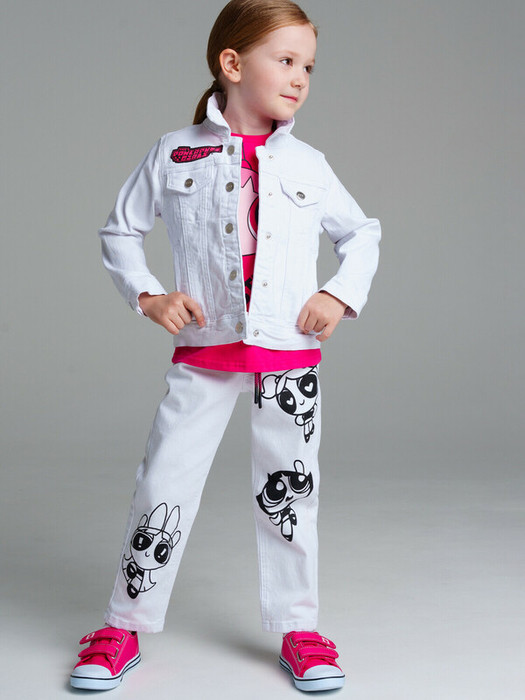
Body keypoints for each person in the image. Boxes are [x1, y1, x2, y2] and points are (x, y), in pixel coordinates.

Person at [70, 0, 380, 693]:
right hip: (204, 352)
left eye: (308, 67)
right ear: (231, 64)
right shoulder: (175, 150)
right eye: (285, 60)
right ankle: (122, 625)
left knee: (290, 496)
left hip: (288, 358)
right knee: (162, 484)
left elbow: (361, 234)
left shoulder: (308, 163)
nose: (299, 78)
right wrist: (149, 296)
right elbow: (120, 231)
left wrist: (337, 295)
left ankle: (300, 629)